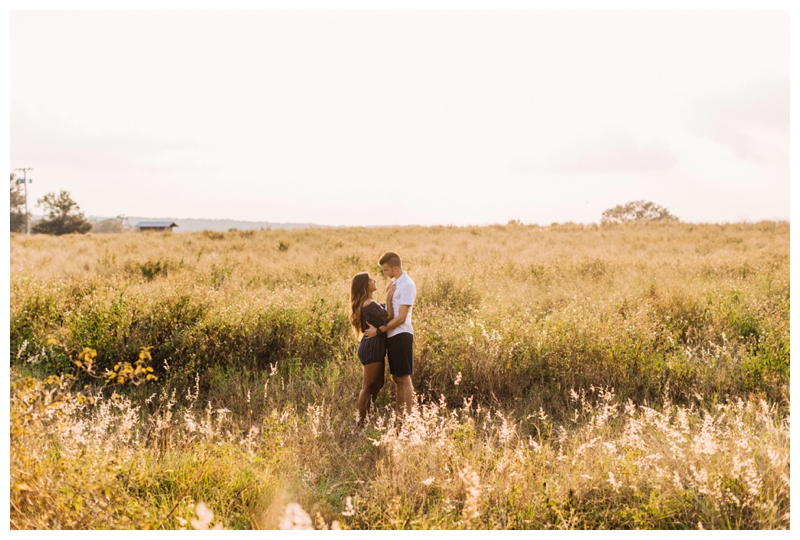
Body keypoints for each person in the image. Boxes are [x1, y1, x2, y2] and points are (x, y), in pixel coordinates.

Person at [363, 251, 416, 415]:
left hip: (401, 334)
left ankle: (407, 417)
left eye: (386, 270)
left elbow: (401, 318)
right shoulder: (395, 282)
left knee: (404, 378)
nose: (384, 274)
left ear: (395, 268)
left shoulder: (407, 285)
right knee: (397, 379)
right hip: (392, 335)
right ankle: (400, 417)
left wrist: (378, 331)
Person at [349, 272, 393, 426]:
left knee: (379, 382)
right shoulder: (368, 303)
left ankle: (368, 413)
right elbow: (388, 317)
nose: (374, 281)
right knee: (368, 386)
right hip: (371, 348)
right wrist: (389, 295)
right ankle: (361, 422)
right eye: (371, 280)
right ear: (365, 285)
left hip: (373, 347)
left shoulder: (369, 303)